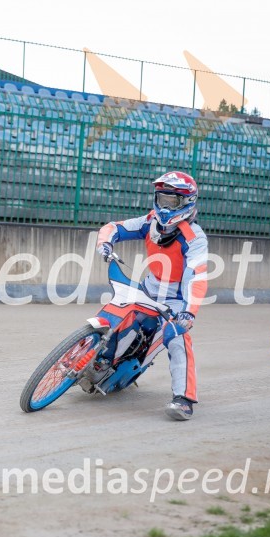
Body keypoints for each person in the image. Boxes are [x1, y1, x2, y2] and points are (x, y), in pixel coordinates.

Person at [96, 171, 208, 421]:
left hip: (176, 300)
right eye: (162, 199)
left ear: (188, 202)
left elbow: (197, 275)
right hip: (148, 288)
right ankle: (94, 359)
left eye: (172, 202)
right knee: (117, 313)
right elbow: (116, 227)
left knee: (177, 337)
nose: (165, 205)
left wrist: (189, 311)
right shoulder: (150, 221)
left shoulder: (195, 238)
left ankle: (184, 398)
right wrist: (105, 243)